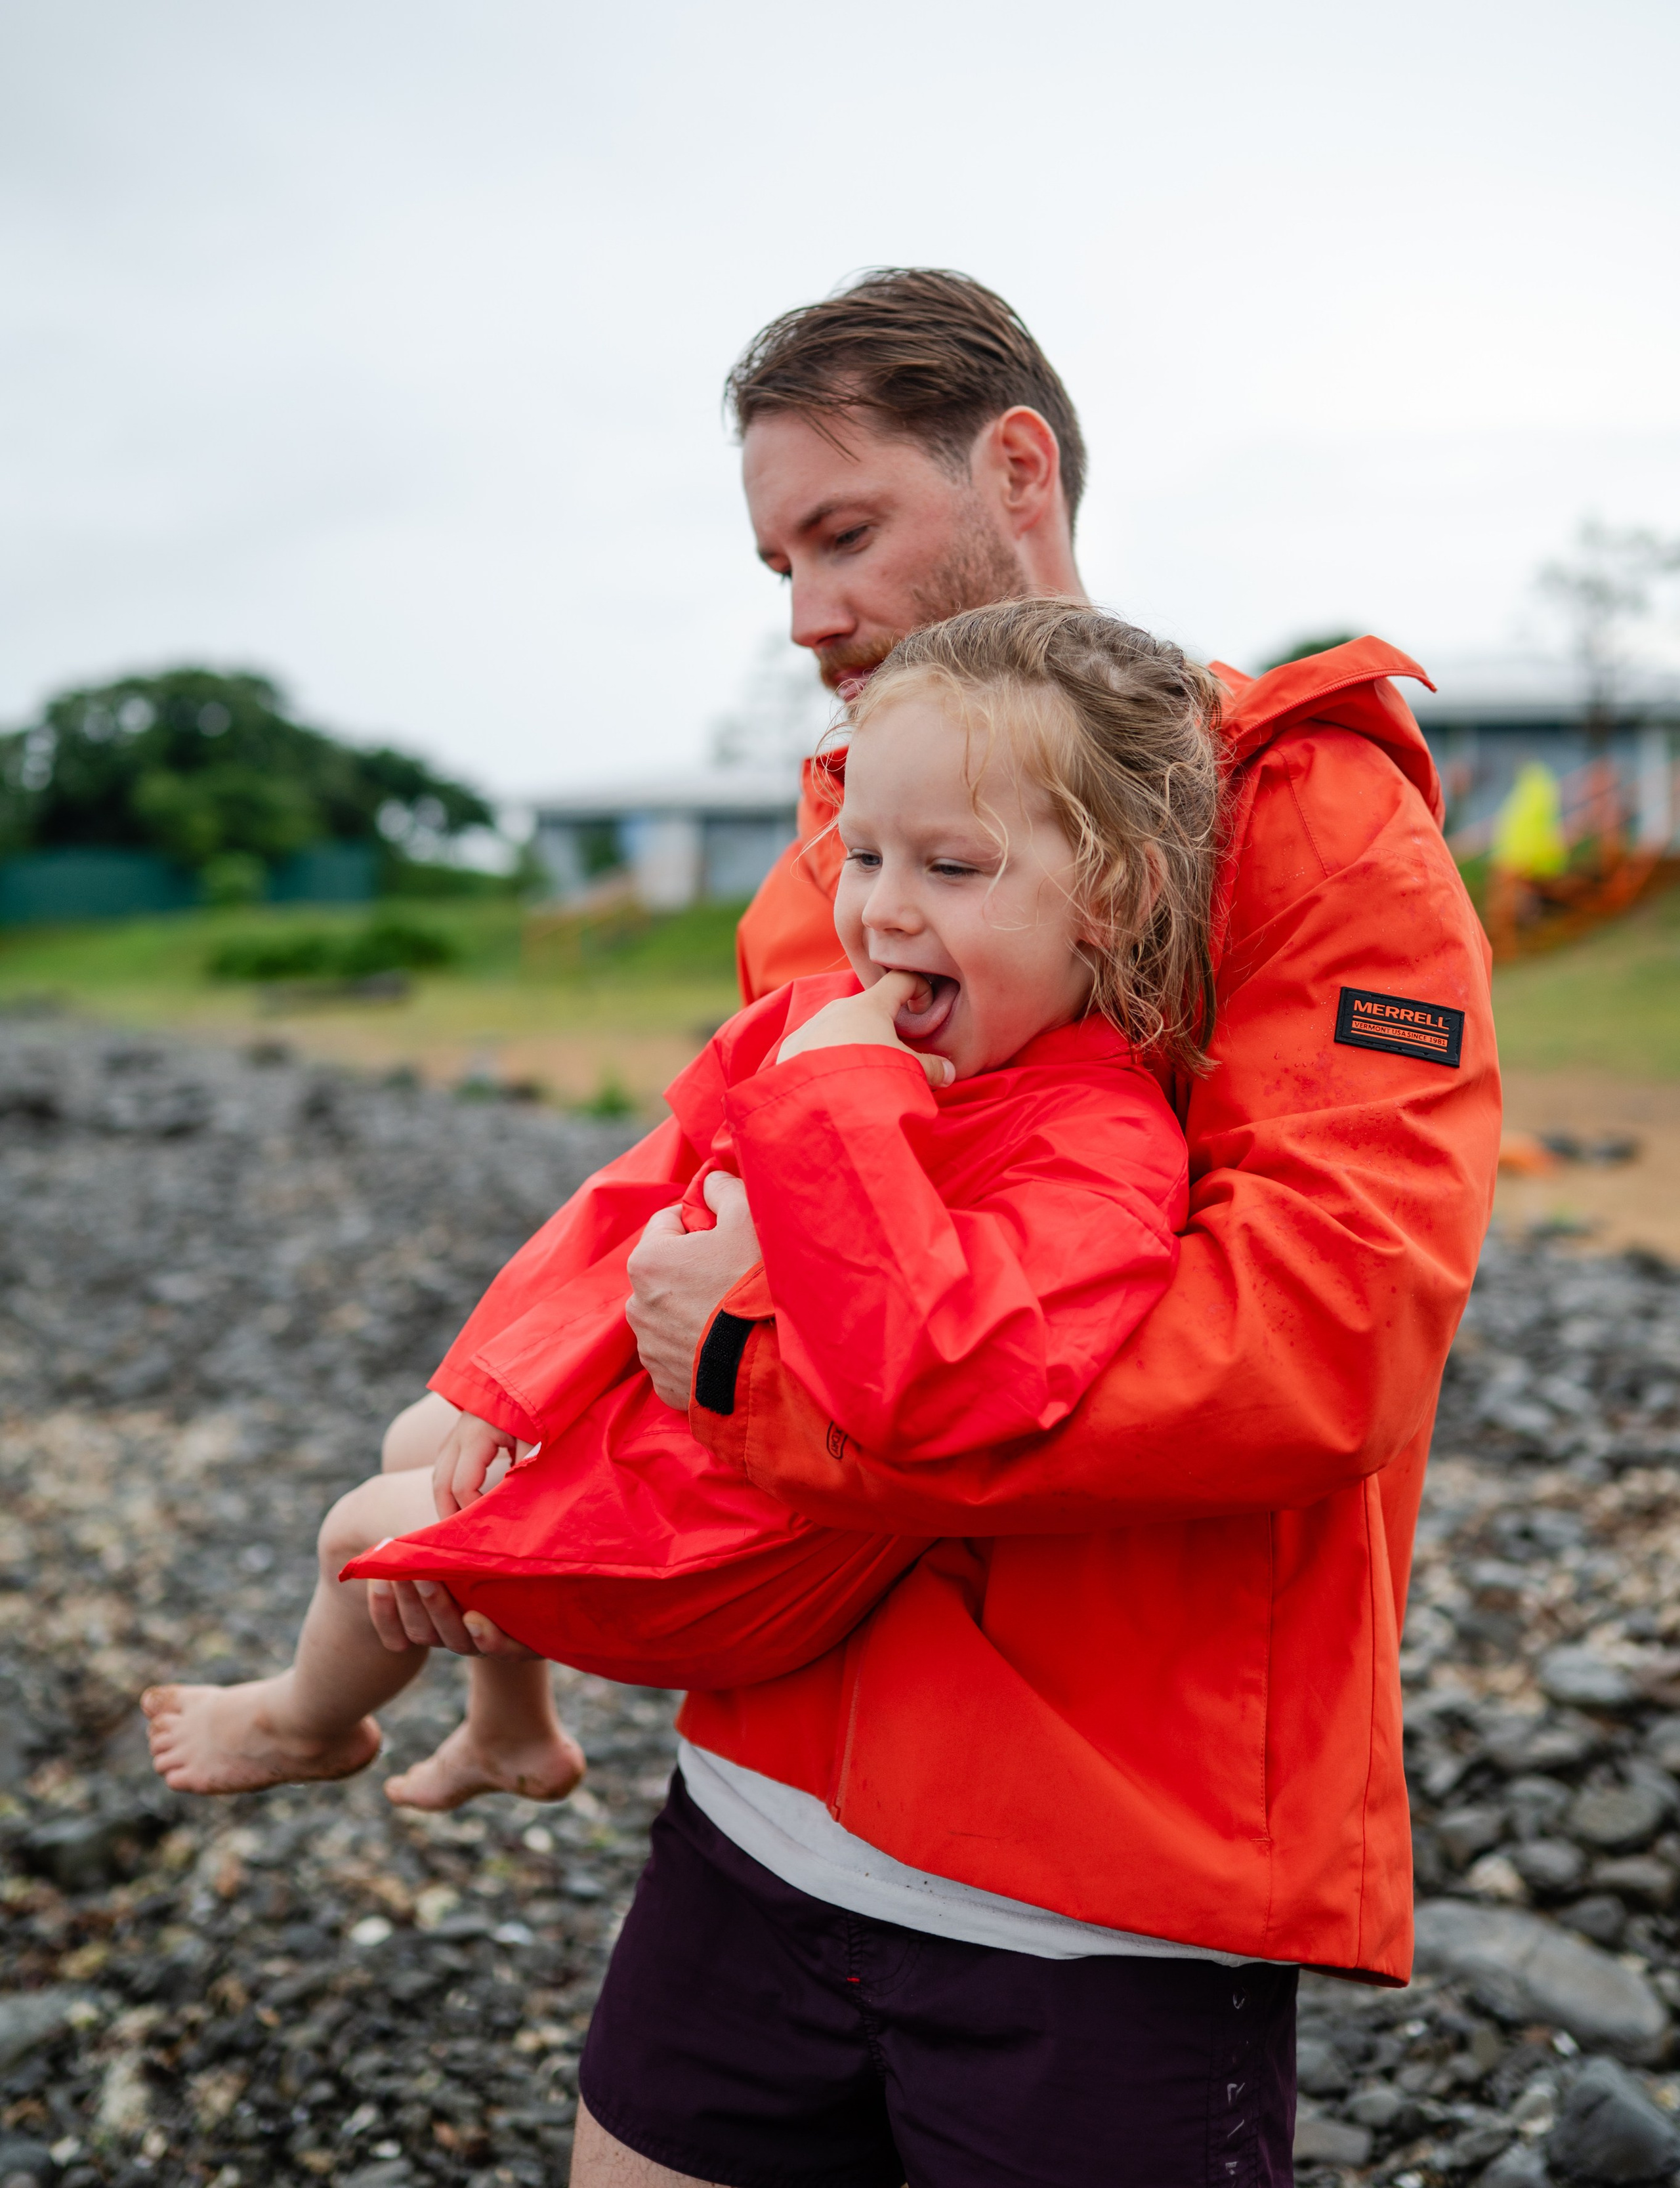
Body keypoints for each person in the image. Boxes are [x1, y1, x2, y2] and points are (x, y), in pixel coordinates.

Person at [566, 269, 1502, 2188]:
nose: (810, 614)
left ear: (1017, 468)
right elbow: (687, 1223)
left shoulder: (1299, 815)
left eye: (845, 534)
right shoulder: (839, 852)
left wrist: (748, 1377)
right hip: (751, 1799)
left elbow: (1310, 1353)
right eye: (776, 566)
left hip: (1102, 1887)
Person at [142, 600, 1207, 1830]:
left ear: (1113, 897)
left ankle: (304, 1719)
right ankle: (512, 1732)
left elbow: (934, 1380)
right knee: (421, 1438)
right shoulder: (819, 1029)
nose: (885, 914)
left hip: (750, 1546)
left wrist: (838, 1093)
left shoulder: (1100, 1147)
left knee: (363, 1527)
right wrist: (518, 1392)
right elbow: (636, 1232)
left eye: (952, 867)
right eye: (864, 857)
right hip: (695, 1442)